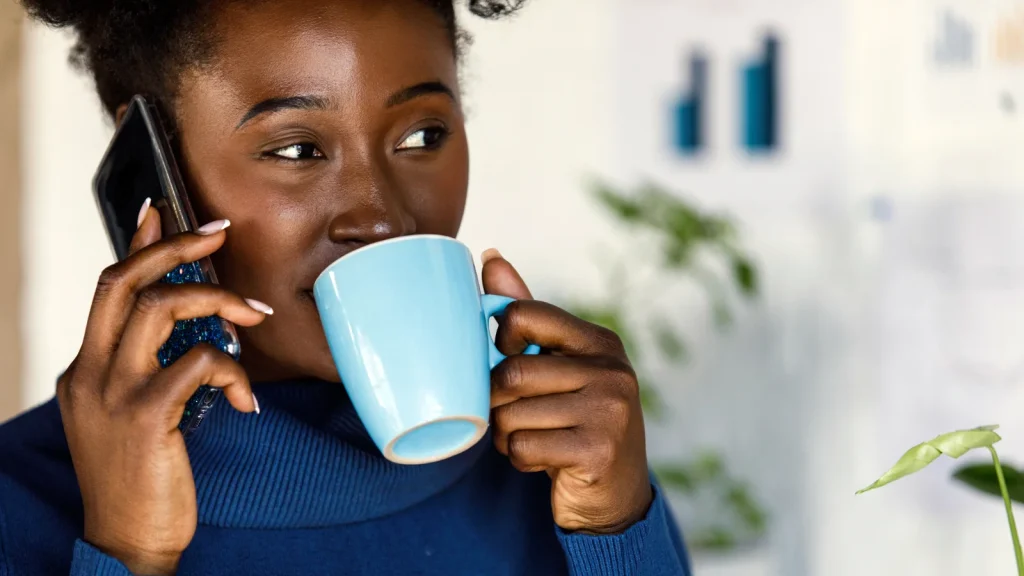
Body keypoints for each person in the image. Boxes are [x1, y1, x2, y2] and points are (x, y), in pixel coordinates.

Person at [0, 1, 693, 574]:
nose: (380, 215)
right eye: (298, 150)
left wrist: (618, 532)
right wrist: (126, 552)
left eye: (422, 135)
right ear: (157, 172)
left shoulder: (561, 470)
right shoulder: (21, 498)